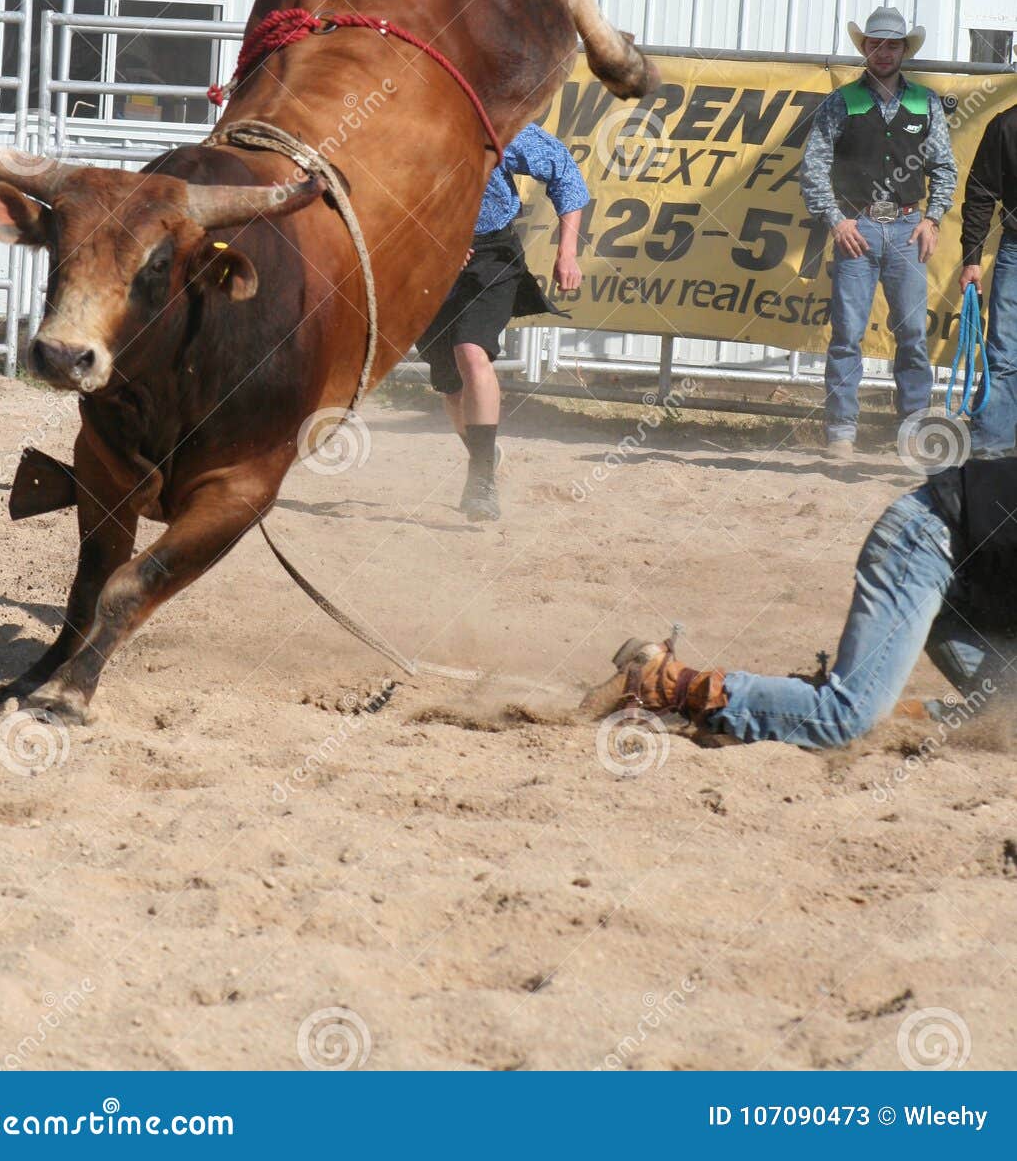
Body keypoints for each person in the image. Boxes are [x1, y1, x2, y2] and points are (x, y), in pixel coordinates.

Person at [583, 456, 1016, 748]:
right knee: (849, 717)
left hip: (967, 565)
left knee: (1006, 711)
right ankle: (662, 680)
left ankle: (896, 714)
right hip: (923, 545)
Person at [799, 6, 957, 458]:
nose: (883, 52)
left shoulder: (925, 103)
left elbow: (944, 167)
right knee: (847, 333)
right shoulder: (841, 102)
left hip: (909, 227)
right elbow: (813, 166)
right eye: (875, 44)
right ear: (864, 48)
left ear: (904, 50)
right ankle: (842, 431)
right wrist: (836, 220)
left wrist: (933, 218)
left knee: (911, 335)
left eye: (891, 44)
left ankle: (911, 431)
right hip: (858, 227)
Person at [415, 124, 589, 522]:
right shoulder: (397, 126)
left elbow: (565, 172)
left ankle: (480, 479)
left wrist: (568, 252)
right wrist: (437, 239)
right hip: (429, 261)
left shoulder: (494, 123)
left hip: (491, 256)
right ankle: (483, 455)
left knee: (471, 352)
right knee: (450, 387)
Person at [960, 101, 1017, 456]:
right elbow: (981, 195)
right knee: (1005, 352)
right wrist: (971, 259)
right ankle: (990, 450)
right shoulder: (1007, 125)